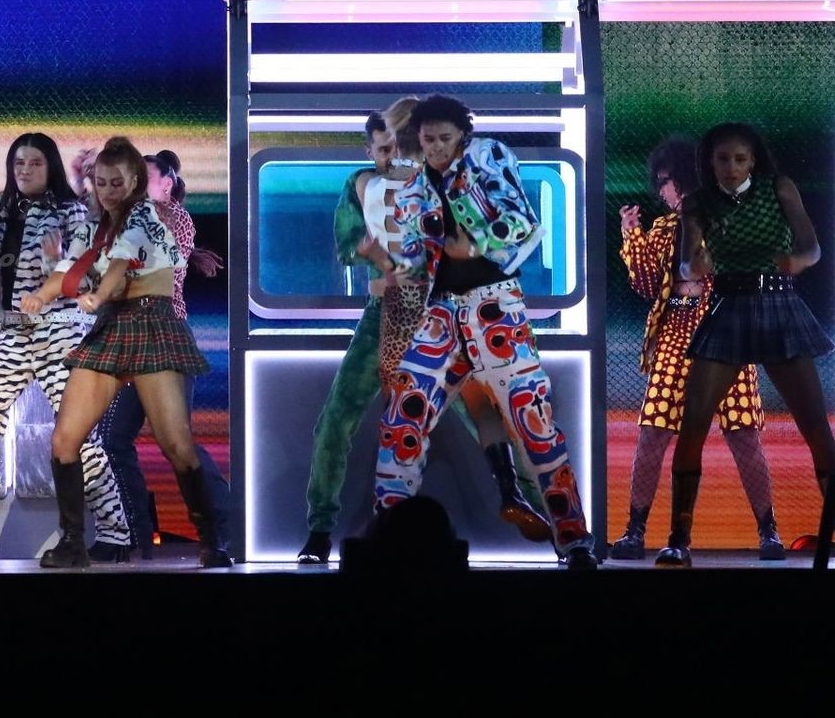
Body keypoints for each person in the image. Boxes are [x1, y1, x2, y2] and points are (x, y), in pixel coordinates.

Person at [299, 102, 551, 563]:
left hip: (445, 309)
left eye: (401, 145)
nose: (393, 155)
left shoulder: (446, 178)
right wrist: (375, 258)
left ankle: (548, 520)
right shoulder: (362, 183)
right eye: (383, 148)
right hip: (386, 312)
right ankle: (320, 532)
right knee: (338, 418)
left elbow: (499, 230)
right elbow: (349, 242)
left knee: (493, 414)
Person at [373, 94, 599, 569]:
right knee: (402, 416)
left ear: (463, 136)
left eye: (445, 138)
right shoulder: (413, 188)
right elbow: (415, 256)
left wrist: (475, 243)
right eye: (429, 139)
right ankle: (387, 537)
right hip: (441, 312)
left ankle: (574, 539)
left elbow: (522, 221)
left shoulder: (487, 157)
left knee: (534, 424)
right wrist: (392, 264)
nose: (436, 147)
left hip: (495, 309)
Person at [40, 137, 230, 568]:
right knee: (75, 439)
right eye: (101, 182)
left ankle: (212, 535)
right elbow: (77, 264)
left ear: (141, 183)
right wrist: (45, 291)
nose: (108, 190)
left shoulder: (157, 215)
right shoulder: (97, 223)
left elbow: (122, 264)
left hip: (155, 326)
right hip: (112, 329)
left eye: (119, 182)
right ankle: (90, 539)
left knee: (176, 444)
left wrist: (97, 290)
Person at [657, 122, 834, 567]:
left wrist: (797, 260)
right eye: (723, 159)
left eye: (740, 159)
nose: (731, 168)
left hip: (779, 307)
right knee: (693, 425)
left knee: (816, 428)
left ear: (753, 160)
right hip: (728, 307)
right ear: (710, 161)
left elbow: (813, 248)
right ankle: (678, 540)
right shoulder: (698, 202)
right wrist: (696, 264)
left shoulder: (779, 188)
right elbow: (687, 265)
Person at [0, 133, 130, 562]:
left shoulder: (72, 213)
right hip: (14, 335)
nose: (25, 170)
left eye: (34, 162)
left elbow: (86, 280)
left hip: (59, 333)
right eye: (19, 163)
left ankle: (115, 532)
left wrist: (56, 263)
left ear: (50, 167)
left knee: (77, 437)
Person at [611, 136, 780, 560]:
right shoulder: (665, 228)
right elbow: (645, 285)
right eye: (660, 184)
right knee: (654, 431)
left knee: (742, 433)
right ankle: (635, 530)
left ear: (681, 179)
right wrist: (631, 235)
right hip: (678, 335)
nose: (662, 191)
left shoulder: (727, 219)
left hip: (725, 333)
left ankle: (769, 532)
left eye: (665, 182)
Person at [93, 148, 230, 560]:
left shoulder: (174, 217)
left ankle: (222, 525)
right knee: (113, 438)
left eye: (143, 178)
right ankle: (134, 536)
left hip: (164, 338)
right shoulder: (130, 220)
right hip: (130, 339)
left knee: (176, 441)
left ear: (166, 185)